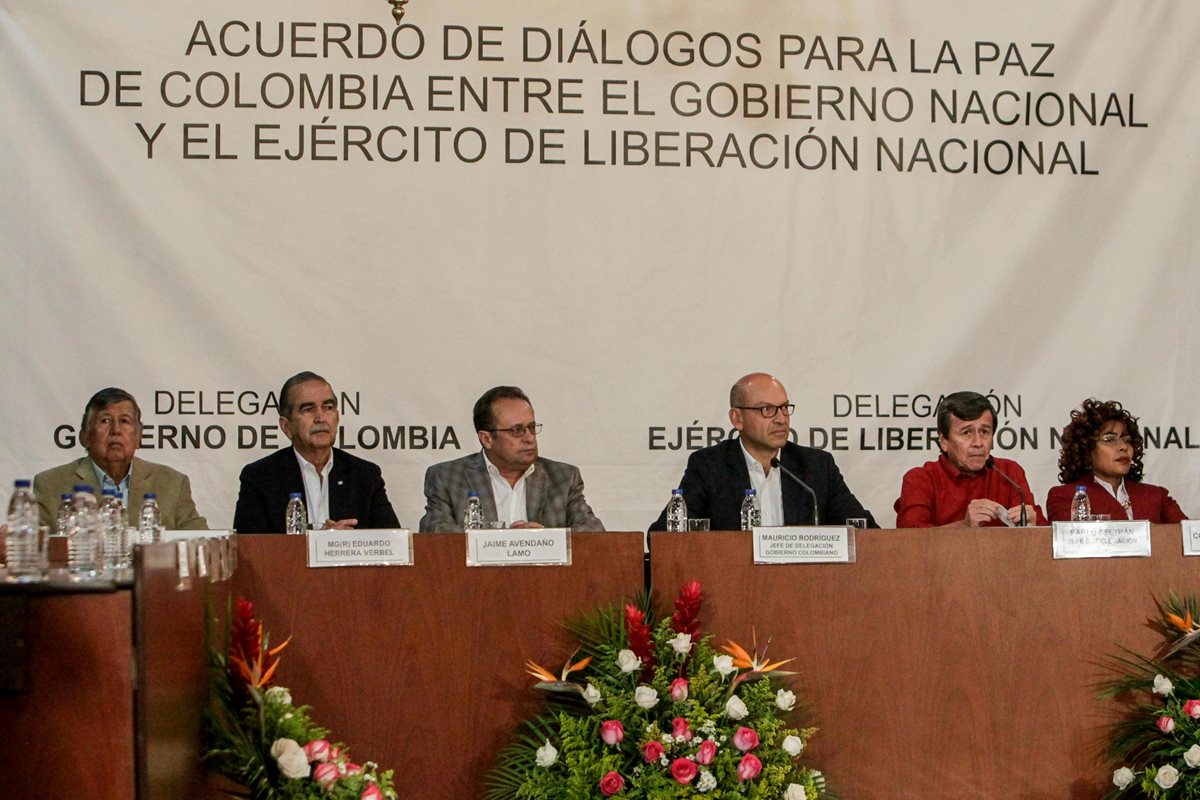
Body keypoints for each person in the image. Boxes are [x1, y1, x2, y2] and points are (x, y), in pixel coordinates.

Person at [649, 372, 877, 531]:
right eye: (767, 409)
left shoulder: (816, 467)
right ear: (737, 419)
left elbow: (865, 530)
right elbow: (664, 537)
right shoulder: (710, 467)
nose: (781, 419)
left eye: (785, 408)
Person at [419, 386, 604, 531]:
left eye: (532, 427)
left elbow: (593, 531)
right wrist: (499, 543)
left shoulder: (563, 477)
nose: (529, 438)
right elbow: (435, 532)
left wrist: (547, 539)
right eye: (517, 430)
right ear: (486, 439)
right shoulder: (447, 477)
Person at [232, 372, 400, 533]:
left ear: (337, 418)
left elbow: (395, 544)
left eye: (328, 407)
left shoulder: (365, 476)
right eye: (308, 409)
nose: (320, 418)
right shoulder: (260, 478)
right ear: (286, 426)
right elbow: (249, 553)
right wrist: (320, 542)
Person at [33, 387, 208, 529]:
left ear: (138, 437)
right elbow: (31, 547)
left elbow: (202, 542)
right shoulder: (50, 485)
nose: (116, 430)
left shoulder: (172, 484)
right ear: (85, 436)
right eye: (105, 421)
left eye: (124, 421)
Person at [894, 391, 1046, 527]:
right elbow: (910, 542)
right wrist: (964, 526)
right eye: (967, 433)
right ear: (943, 441)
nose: (978, 443)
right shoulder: (921, 479)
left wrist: (1034, 528)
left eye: (985, 432)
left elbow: (1048, 540)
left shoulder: (1009, 473)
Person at [1045, 398, 1186, 523]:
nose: (1123, 447)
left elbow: (1190, 540)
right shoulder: (1066, 497)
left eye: (1127, 440)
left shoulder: (1156, 496)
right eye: (1110, 439)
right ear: (1087, 449)